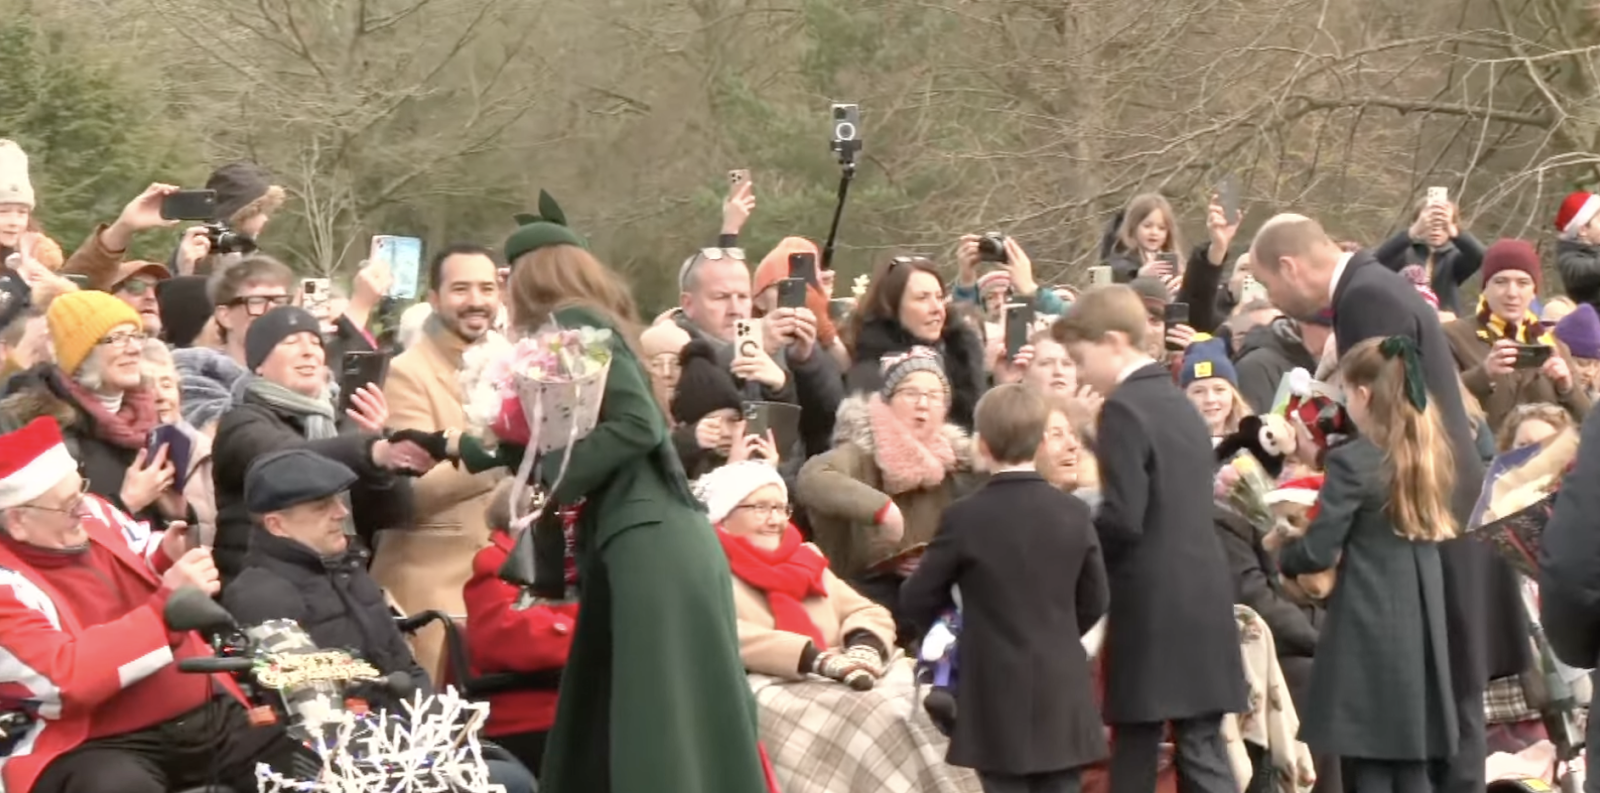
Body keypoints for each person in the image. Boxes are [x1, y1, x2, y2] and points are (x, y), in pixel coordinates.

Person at [426, 203, 772, 793]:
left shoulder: (577, 323)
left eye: (510, 276)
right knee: (618, 713)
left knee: (658, 719)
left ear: (532, 273)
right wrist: (460, 446)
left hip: (648, 543)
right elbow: (563, 439)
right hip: (640, 541)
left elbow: (638, 427)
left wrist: (552, 476)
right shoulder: (584, 324)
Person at [1248, 213, 1529, 793]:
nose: (1275, 302)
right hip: (1448, 500)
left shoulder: (1365, 300)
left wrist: (1327, 467)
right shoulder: (1375, 285)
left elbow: (1385, 417)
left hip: (1432, 510)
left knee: (1446, 702)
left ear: (1289, 267)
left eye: (1271, 288)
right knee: (1451, 695)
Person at [0, 416, 302, 793]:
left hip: (202, 712)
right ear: (17, 522)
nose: (83, 509)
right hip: (99, 744)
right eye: (66, 506)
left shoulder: (91, 512)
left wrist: (168, 552)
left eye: (80, 492)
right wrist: (166, 608)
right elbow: (66, 680)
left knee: (301, 754)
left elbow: (140, 547)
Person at [220, 448, 535, 793]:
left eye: (337, 501)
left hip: (400, 740)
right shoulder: (262, 595)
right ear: (276, 524)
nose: (341, 513)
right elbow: (314, 715)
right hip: (338, 761)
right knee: (509, 783)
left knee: (511, 775)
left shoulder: (347, 569)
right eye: (321, 507)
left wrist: (435, 732)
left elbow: (405, 667)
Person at [1051, 285, 1246, 793]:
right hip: (1203, 593)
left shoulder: (1123, 410)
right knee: (1199, 747)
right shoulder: (1178, 404)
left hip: (1153, 606)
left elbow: (1123, 518)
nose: (1078, 372)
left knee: (1140, 746)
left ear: (1114, 342)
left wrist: (1067, 546)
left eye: (1080, 357)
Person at [1268, 337, 1458, 792]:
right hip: (1420, 624)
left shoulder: (1355, 463)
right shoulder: (1429, 454)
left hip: (1368, 623)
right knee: (1409, 766)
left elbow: (1316, 551)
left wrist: (1280, 549)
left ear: (1364, 394)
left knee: (1369, 767)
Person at [902, 384, 1110, 793]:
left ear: (982, 443)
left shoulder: (965, 517)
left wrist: (956, 625)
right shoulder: (1072, 512)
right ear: (1038, 444)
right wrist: (1058, 629)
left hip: (992, 687)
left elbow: (916, 597)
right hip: (1062, 685)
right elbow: (1096, 598)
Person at [210, 305, 422, 582]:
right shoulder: (241, 423)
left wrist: (377, 442)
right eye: (290, 342)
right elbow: (292, 461)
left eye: (315, 342)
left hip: (341, 583)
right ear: (259, 364)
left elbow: (393, 516)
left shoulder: (341, 422)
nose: (308, 351)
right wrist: (371, 451)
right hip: (265, 588)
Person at [375, 243, 509, 679]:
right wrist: (497, 450)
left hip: (504, 588)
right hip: (434, 591)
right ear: (433, 298)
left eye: (487, 288)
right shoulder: (406, 372)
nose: (476, 300)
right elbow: (411, 492)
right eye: (461, 289)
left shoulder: (517, 364)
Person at [699, 460, 895, 685]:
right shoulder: (706, 568)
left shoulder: (805, 559)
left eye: (780, 508)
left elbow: (866, 610)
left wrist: (863, 647)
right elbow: (720, 633)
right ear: (722, 516)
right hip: (768, 685)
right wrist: (814, 659)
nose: (775, 521)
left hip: (847, 672)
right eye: (760, 508)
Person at [463, 479, 579, 777]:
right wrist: (587, 636)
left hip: (570, 702)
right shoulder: (496, 564)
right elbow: (507, 635)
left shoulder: (564, 566)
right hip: (530, 715)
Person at [1441, 239, 1589, 430]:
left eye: (1523, 283)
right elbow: (1439, 403)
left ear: (1534, 291)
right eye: (1501, 281)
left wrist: (1567, 388)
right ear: (1485, 288)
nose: (1512, 293)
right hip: (1481, 456)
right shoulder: (1454, 336)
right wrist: (1484, 374)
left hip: (1545, 457)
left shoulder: (1555, 347)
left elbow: (1589, 423)